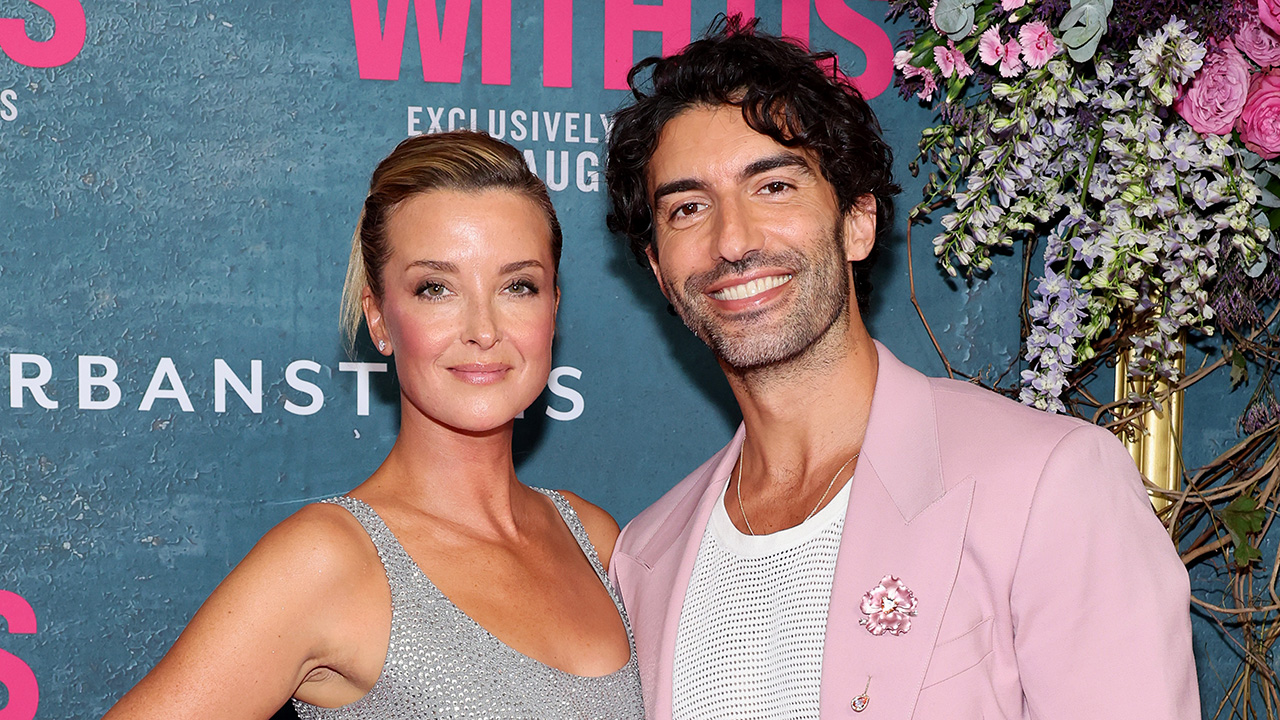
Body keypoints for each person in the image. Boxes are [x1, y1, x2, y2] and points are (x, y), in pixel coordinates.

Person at [604, 16, 1197, 720]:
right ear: (659, 270)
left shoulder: (1049, 483)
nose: (732, 241)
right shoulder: (645, 558)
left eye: (774, 188)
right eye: (688, 207)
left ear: (858, 220)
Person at [104, 131, 645, 719]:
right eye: (436, 289)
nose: (483, 329)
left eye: (518, 286)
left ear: (553, 310)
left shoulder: (594, 538)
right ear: (380, 322)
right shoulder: (328, 559)